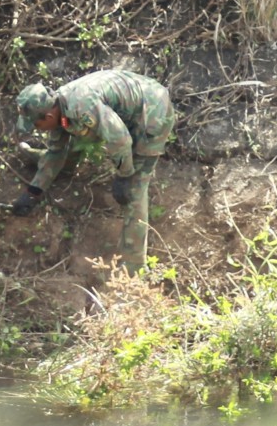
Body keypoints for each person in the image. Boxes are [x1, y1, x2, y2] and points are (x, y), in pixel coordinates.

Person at [10, 69, 175, 274]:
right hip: (127, 111)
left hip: (152, 111)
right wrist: (33, 192)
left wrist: (124, 174)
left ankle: (134, 267)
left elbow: (120, 139)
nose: (37, 129)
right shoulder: (58, 107)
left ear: (49, 115)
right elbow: (56, 151)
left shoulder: (81, 106)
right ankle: (65, 168)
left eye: (37, 124)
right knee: (72, 138)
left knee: (134, 189)